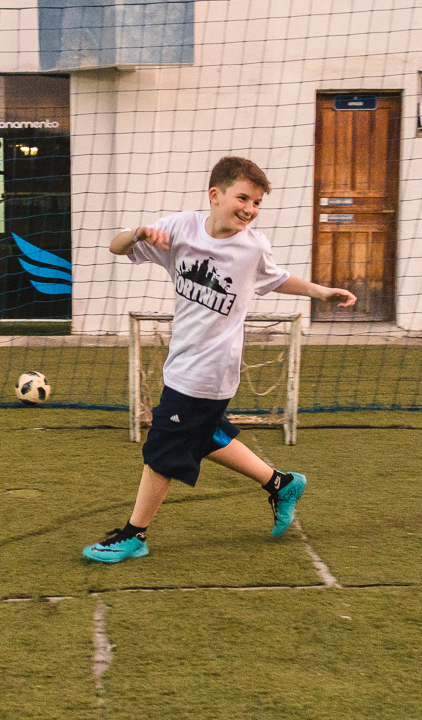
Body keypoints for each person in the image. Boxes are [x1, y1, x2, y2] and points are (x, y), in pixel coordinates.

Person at [82, 156, 357, 563]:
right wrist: (139, 232)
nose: (250, 209)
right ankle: (281, 483)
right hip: (180, 362)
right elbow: (117, 246)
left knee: (163, 451)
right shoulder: (180, 229)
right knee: (203, 436)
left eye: (257, 202)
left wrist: (321, 292)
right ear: (215, 195)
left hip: (210, 372)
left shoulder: (252, 247)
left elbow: (277, 278)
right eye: (243, 198)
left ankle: (133, 535)